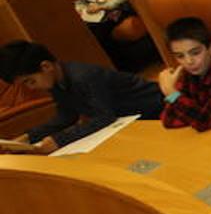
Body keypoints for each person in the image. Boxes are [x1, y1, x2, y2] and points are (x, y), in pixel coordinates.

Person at [0, 40, 162, 154]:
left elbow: (104, 116)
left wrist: (59, 140)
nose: (30, 87)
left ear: (46, 66)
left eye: (30, 81)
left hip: (153, 108)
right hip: (125, 118)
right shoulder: (56, 81)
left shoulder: (82, 77)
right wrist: (27, 138)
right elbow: (66, 115)